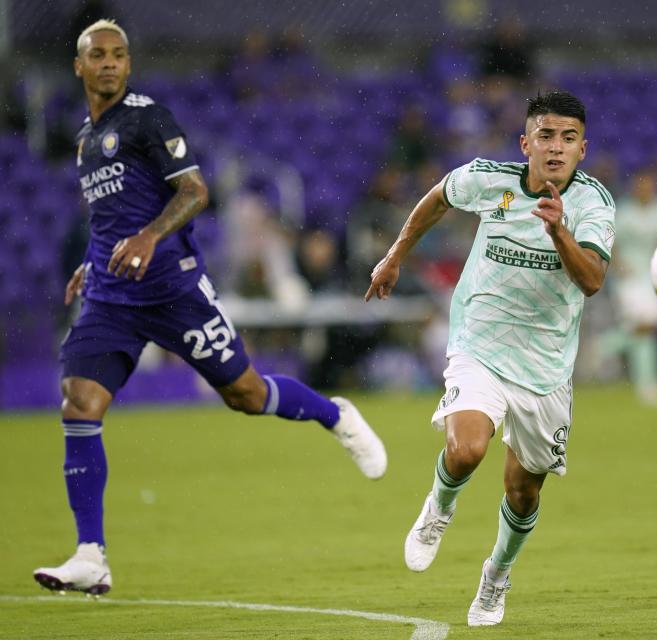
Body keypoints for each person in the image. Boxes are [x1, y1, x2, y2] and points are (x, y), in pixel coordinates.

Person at [33, 20, 387, 597]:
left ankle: (335, 415)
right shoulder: (84, 139)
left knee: (244, 394)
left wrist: (148, 238)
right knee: (79, 404)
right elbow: (109, 219)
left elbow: (196, 190)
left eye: (119, 55)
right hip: (112, 296)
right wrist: (93, 262)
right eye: (98, 55)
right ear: (79, 66)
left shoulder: (148, 118)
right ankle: (91, 555)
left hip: (173, 289)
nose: (109, 64)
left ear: (128, 63)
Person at [365, 90, 616, 626]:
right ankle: (438, 508)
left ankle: (496, 576)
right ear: (525, 143)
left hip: (545, 368)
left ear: (583, 149)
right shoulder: (488, 179)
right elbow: (437, 198)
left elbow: (592, 280)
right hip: (479, 342)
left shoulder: (594, 205)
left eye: (568, 139)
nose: (556, 148)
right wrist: (394, 256)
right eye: (546, 136)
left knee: (523, 491)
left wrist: (559, 231)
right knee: (466, 449)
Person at [609, 167, 657, 405]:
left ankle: (600, 348)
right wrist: (618, 265)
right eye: (641, 184)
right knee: (645, 328)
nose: (644, 188)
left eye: (649, 184)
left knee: (644, 330)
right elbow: (611, 241)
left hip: (654, 277)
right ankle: (648, 386)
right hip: (629, 278)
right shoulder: (624, 211)